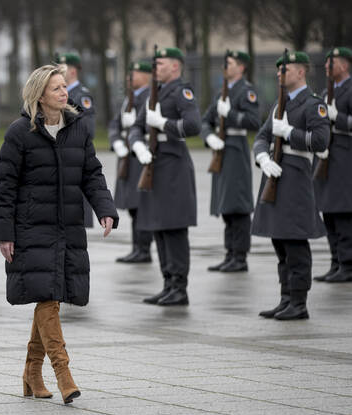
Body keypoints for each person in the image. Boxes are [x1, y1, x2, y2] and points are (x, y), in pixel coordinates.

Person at [0, 64, 117, 403]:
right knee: (47, 298)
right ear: (40, 96)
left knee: (50, 297)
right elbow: (4, 187)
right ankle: (64, 374)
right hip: (30, 228)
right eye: (57, 88)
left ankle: (32, 373)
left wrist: (105, 209)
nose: (65, 93)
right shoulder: (20, 132)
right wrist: (4, 233)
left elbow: (92, 173)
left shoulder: (78, 129)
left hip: (68, 227)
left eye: (65, 87)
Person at [253, 51, 329, 320]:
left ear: (301, 72)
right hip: (274, 176)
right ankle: (286, 297)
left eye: (285, 69)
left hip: (296, 178)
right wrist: (261, 157)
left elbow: (321, 141)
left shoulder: (313, 104)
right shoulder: (279, 104)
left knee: (295, 242)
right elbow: (261, 136)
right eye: (277, 70)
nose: (278, 74)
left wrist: (289, 133)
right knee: (280, 241)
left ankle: (299, 301)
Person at [129, 47, 201, 306]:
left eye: (160, 64)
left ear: (175, 66)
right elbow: (136, 127)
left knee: (174, 229)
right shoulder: (153, 93)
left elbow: (194, 125)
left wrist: (164, 124)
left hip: (173, 166)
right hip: (153, 166)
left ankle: (179, 287)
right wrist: (137, 145)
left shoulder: (182, 91)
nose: (155, 68)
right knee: (158, 227)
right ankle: (168, 283)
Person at [200, 50, 261, 272]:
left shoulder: (247, 91)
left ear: (241, 67)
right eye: (225, 62)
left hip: (236, 150)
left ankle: (240, 256)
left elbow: (255, 121)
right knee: (226, 205)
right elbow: (205, 121)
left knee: (239, 206)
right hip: (221, 151)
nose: (226, 66)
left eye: (231, 63)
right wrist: (210, 137)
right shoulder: (220, 93)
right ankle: (230, 253)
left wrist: (232, 114)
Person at [108, 60, 153, 263]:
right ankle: (136, 247)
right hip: (126, 156)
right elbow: (115, 124)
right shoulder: (129, 98)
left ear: (146, 76)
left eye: (134, 73)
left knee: (142, 205)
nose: (130, 77)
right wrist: (116, 141)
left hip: (139, 156)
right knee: (133, 206)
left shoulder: (149, 97)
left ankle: (144, 249)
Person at [313, 46, 352, 283]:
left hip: (345, 158)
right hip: (326, 157)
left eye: (333, 62)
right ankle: (336, 262)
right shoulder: (325, 91)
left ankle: (348, 265)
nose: (328, 66)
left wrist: (339, 118)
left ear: (345, 65)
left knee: (343, 213)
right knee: (329, 212)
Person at [58, 52, 96, 228]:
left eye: (61, 69)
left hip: (74, 152)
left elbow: (89, 129)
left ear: (72, 71)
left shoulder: (81, 96)